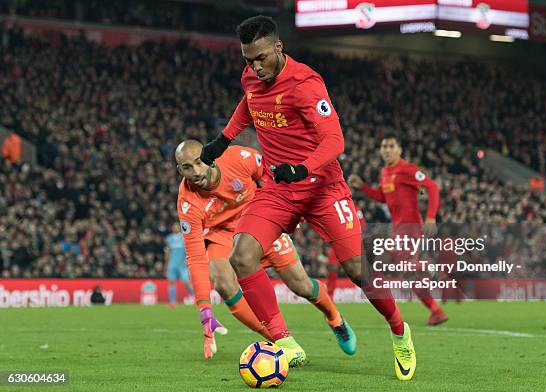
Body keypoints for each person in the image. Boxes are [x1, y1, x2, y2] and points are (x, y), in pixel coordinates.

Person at [201, 16, 416, 381]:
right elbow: (248, 103)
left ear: (279, 48)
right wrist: (224, 138)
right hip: (279, 189)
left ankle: (399, 330)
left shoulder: (305, 83)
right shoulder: (251, 77)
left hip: (322, 188)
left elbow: (335, 141)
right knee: (243, 256)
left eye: (261, 58)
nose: (254, 67)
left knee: (356, 270)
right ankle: (284, 341)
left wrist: (303, 167)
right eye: (248, 59)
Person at [175, 140, 356, 364]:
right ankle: (281, 342)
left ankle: (334, 317)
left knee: (302, 286)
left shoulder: (239, 158)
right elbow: (195, 256)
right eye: (187, 168)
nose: (195, 172)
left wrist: (288, 211)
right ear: (179, 170)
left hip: (260, 224)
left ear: (209, 158)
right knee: (222, 281)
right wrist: (205, 309)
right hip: (223, 236)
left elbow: (273, 174)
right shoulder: (187, 202)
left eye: (199, 163)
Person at [348, 132, 449, 326]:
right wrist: (363, 187)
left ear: (399, 149)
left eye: (391, 146)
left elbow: (432, 187)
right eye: (384, 146)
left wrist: (430, 217)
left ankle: (431, 268)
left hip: (410, 229)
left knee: (383, 264)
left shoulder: (407, 169)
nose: (387, 150)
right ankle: (436, 310)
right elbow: (382, 197)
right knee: (404, 272)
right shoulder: (385, 173)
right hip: (397, 229)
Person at [164, 223, 194, 308]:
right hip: (172, 264)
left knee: (186, 282)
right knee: (171, 282)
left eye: (177, 227)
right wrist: (166, 263)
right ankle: (172, 302)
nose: (175, 228)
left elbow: (189, 249)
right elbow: (167, 251)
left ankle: (196, 298)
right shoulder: (169, 238)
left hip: (182, 264)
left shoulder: (184, 237)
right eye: (174, 227)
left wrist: (187, 260)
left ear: (180, 228)